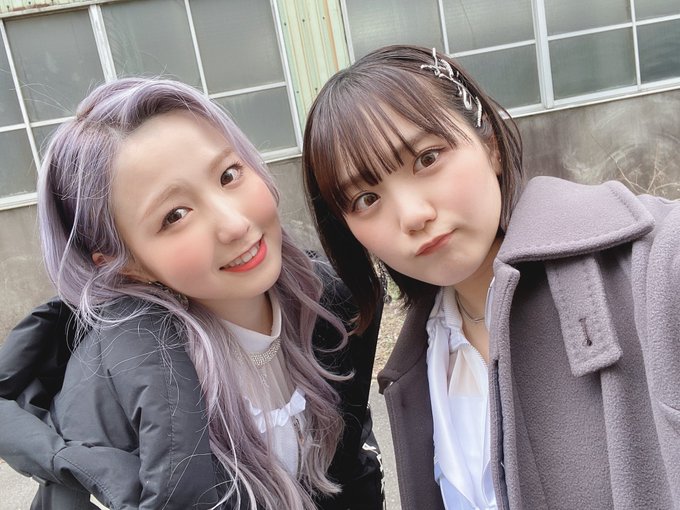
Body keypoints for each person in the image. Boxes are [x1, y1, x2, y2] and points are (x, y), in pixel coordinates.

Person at [301, 44, 680, 509]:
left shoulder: (651, 265)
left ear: (490, 146)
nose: (413, 215)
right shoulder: (423, 357)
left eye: (427, 159)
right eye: (366, 199)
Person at [0, 77, 383, 510]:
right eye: (175, 215)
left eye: (229, 174)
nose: (234, 223)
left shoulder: (328, 302)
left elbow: (351, 459)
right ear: (123, 263)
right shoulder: (115, 396)